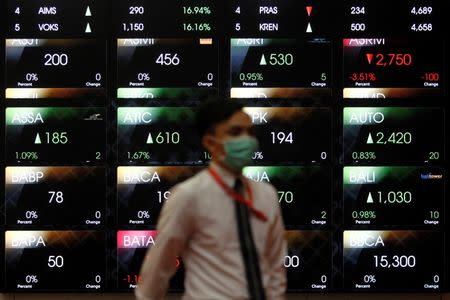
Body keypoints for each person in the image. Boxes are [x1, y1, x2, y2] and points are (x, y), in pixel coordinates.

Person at [135, 99, 287, 300]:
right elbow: (158, 267)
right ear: (209, 143)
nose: (247, 140)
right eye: (235, 133)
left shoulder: (267, 194)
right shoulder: (188, 195)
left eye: (250, 132)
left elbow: (276, 265)